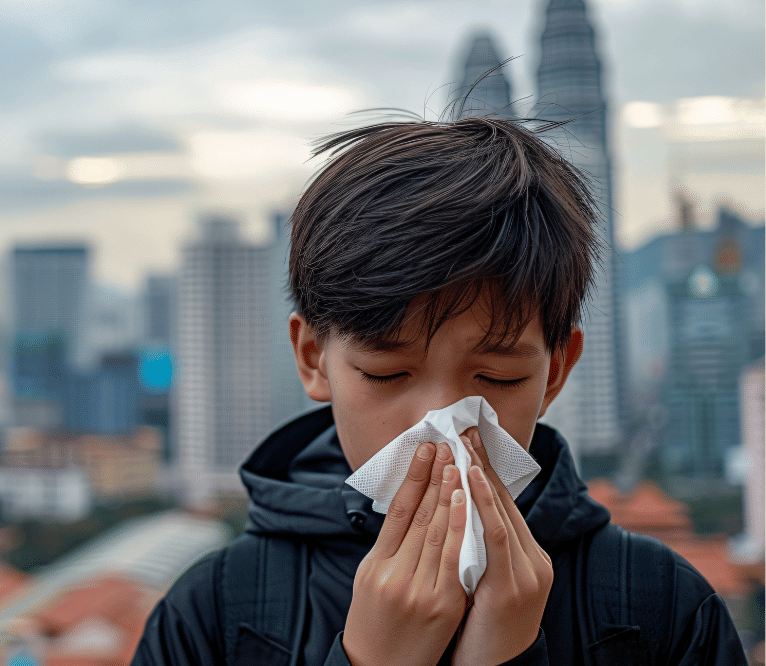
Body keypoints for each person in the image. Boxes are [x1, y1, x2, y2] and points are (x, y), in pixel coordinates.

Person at [130, 112, 748, 665]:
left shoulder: (660, 607)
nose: (443, 419)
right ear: (313, 358)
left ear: (556, 372)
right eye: (386, 373)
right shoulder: (212, 616)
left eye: (497, 377)